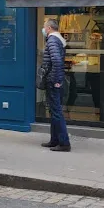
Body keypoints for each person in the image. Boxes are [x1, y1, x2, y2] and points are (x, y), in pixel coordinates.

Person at [41, 18, 71, 152]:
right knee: (53, 111)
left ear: (49, 28)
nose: (43, 29)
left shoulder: (52, 40)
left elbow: (57, 61)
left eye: (44, 26)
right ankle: (54, 140)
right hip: (55, 80)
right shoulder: (58, 40)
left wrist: (55, 80)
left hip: (53, 81)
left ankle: (64, 143)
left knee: (56, 112)